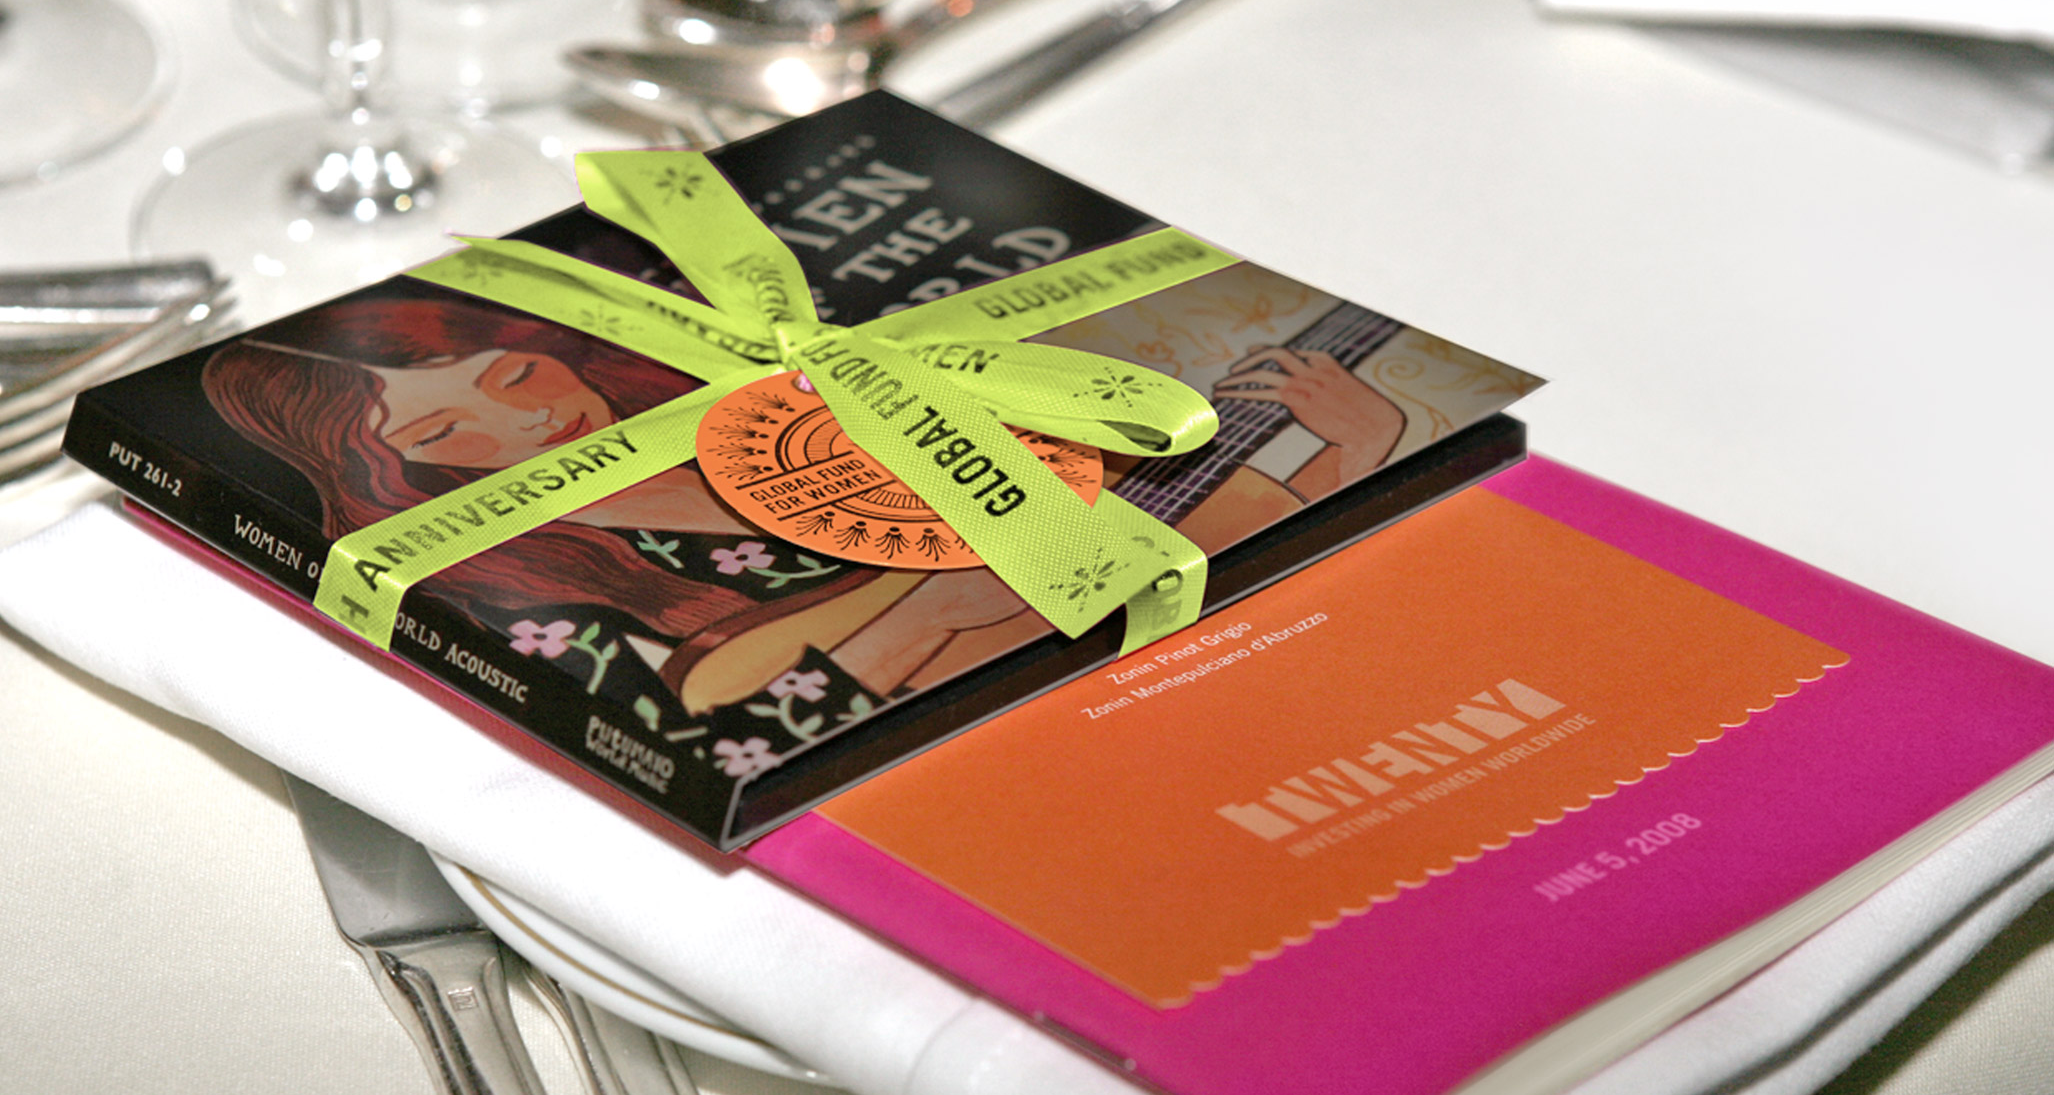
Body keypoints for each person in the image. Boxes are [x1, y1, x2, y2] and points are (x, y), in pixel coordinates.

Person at [200, 286, 1408, 739]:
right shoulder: (533, 586)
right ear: (393, 477)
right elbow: (726, 731)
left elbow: (1229, 543)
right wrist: (920, 613)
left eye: (516, 373)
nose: (523, 424)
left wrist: (1362, 449)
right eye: (436, 436)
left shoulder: (801, 403)